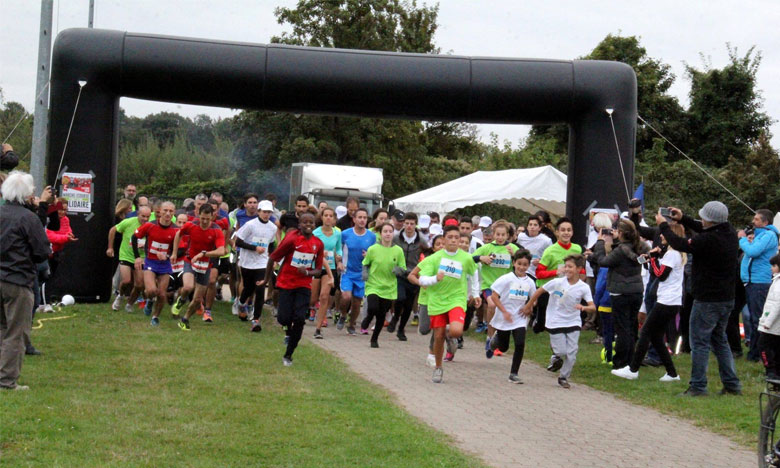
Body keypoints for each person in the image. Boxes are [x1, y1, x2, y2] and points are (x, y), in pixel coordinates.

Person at [658, 202, 742, 396]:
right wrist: (684, 218)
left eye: (703, 216)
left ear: (710, 220)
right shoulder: (729, 232)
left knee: (699, 342)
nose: (701, 219)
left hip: (707, 299)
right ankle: (732, 384)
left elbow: (679, 244)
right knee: (719, 340)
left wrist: (664, 225)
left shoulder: (707, 241)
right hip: (726, 298)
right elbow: (703, 228)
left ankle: (698, 386)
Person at [611, 222, 687, 382]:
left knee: (645, 331)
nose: (660, 236)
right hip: (669, 300)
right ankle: (672, 373)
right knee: (656, 337)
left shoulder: (673, 254)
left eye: (664, 234)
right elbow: (659, 271)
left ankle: (633, 369)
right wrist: (652, 260)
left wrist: (653, 259)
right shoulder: (672, 254)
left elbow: (661, 275)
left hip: (667, 301)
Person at [0, 171, 51, 390]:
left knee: (2, 328)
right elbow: (42, 252)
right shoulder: (28, 218)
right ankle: (7, 380)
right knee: (16, 332)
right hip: (17, 279)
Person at [409, 225, 479, 383]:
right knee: (438, 336)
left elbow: (473, 272)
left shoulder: (466, 257)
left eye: (457, 238)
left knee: (456, 330)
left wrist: (475, 294)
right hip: (437, 301)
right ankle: (438, 368)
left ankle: (452, 337)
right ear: (444, 239)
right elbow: (421, 279)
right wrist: (435, 279)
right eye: (450, 237)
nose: (454, 240)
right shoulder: (434, 259)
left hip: (456, 299)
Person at [523, 254, 595, 389]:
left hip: (573, 321)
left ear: (579, 269)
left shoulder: (583, 287)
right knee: (561, 351)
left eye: (570, 267)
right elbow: (540, 290)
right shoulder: (557, 282)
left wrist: (584, 307)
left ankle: (563, 377)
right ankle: (555, 358)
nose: (567, 269)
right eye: (565, 266)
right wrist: (529, 305)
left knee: (572, 352)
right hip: (555, 320)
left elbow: (592, 307)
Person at [264, 212, 325, 366]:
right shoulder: (292, 239)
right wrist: (266, 279)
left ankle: (289, 354)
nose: (308, 225)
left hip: (303, 285)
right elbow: (273, 258)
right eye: (305, 222)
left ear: (315, 225)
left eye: (311, 222)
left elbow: (318, 270)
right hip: (286, 283)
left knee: (299, 318)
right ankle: (288, 331)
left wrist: (307, 272)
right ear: (299, 225)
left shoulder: (318, 243)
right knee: (283, 318)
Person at [591, 218, 647, 371]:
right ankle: (631, 359)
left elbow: (603, 261)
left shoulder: (620, 251)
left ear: (620, 233)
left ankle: (621, 361)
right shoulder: (640, 246)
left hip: (620, 292)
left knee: (622, 328)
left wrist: (601, 243)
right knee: (631, 326)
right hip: (636, 290)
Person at [170, 204, 226, 330]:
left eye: (208, 219)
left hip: (205, 265)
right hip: (190, 260)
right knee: (188, 286)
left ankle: (185, 320)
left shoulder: (216, 230)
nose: (205, 222)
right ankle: (181, 299)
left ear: (212, 217)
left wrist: (204, 254)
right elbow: (178, 234)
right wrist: (174, 252)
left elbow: (221, 251)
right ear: (198, 216)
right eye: (202, 218)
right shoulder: (191, 225)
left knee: (197, 299)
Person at [487, 249, 536, 383]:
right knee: (504, 347)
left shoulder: (530, 282)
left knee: (520, 343)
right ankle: (495, 341)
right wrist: (504, 311)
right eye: (519, 264)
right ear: (514, 263)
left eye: (525, 265)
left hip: (519, 317)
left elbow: (534, 297)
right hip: (504, 317)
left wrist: (529, 307)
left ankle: (514, 373)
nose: (521, 267)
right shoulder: (506, 279)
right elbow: (494, 296)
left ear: (528, 266)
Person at [739, 209, 780, 362]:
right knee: (752, 317)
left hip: (759, 281)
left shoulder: (768, 235)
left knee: (757, 319)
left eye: (756, 219)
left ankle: (758, 353)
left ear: (765, 222)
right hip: (751, 280)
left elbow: (754, 251)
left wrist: (742, 240)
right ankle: (755, 351)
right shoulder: (761, 235)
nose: (753, 222)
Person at [473, 221, 518, 358]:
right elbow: (471, 258)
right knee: (492, 305)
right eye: (497, 234)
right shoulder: (486, 247)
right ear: (493, 234)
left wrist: (514, 256)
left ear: (508, 235)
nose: (500, 237)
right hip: (489, 285)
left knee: (502, 312)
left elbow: (523, 261)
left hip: (506, 287)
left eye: (503, 234)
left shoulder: (512, 248)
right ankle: (490, 337)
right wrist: (482, 258)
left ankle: (496, 339)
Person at [532, 217, 582, 334]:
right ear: (557, 232)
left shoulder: (577, 248)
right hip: (548, 290)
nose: (566, 233)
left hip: (566, 288)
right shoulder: (550, 251)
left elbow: (581, 269)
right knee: (542, 324)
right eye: (563, 230)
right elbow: (539, 273)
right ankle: (537, 323)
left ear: (572, 232)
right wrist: (556, 272)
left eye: (569, 230)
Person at [234, 200, 278, 331]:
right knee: (248, 288)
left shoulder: (273, 227)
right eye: (264, 212)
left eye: (269, 212)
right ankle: (241, 303)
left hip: (262, 263)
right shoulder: (250, 225)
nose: (266, 215)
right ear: (259, 212)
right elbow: (238, 242)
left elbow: (271, 245)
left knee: (259, 290)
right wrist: (254, 248)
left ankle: (256, 320)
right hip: (247, 262)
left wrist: (273, 259)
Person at [360, 223, 406, 347]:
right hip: (373, 284)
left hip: (389, 287)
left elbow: (403, 268)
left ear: (393, 234)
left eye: (390, 231)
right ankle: (368, 318)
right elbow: (365, 263)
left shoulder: (398, 250)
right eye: (385, 231)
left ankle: (374, 339)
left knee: (381, 315)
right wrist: (364, 273)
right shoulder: (373, 249)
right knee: (373, 307)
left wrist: (398, 270)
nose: (387, 234)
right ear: (380, 234)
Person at [133, 201, 178, 325]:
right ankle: (150, 301)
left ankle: (155, 317)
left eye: (171, 211)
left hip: (165, 264)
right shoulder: (150, 226)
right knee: (152, 290)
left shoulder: (176, 230)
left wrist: (167, 255)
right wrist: (137, 257)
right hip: (151, 262)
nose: (168, 213)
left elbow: (181, 249)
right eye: (165, 210)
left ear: (174, 213)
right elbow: (134, 236)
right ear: (159, 211)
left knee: (162, 294)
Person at [336, 208, 376, 335]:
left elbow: (375, 254)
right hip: (348, 271)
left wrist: (368, 257)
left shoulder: (371, 236)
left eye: (365, 217)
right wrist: (339, 262)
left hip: (362, 273)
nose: (362, 220)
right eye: (360, 217)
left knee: (357, 303)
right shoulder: (345, 234)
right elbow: (338, 250)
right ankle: (343, 314)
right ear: (354, 219)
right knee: (346, 296)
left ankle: (351, 324)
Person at [389, 212, 427, 340]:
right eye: (407, 223)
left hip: (414, 274)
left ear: (416, 225)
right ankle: (395, 317)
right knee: (400, 298)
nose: (409, 226)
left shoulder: (421, 240)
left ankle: (401, 329)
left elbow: (427, 256)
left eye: (412, 224)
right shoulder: (396, 238)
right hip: (400, 273)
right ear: (403, 224)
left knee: (409, 305)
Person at [107, 206, 151, 311]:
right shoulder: (128, 222)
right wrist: (110, 247)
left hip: (141, 257)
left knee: (140, 284)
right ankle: (120, 296)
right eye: (143, 216)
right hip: (126, 255)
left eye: (147, 217)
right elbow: (113, 230)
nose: (145, 219)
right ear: (138, 214)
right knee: (126, 280)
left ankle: (130, 303)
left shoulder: (150, 226)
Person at [312, 207, 342, 338]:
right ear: (322, 217)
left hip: (330, 267)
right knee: (313, 299)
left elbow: (339, 248)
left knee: (324, 296)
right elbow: (310, 248)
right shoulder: (315, 233)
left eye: (331, 216)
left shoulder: (337, 233)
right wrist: (318, 253)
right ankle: (313, 309)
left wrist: (339, 257)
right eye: (326, 215)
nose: (328, 218)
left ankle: (318, 328)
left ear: (334, 219)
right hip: (316, 267)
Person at [758, 255, 780, 380]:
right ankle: (777, 370)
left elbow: (777, 304)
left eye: (774, 266)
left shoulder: (778, 283)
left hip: (772, 323)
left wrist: (767, 322)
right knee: (776, 346)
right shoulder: (775, 280)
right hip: (774, 323)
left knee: (763, 345)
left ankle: (770, 369)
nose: (771, 268)